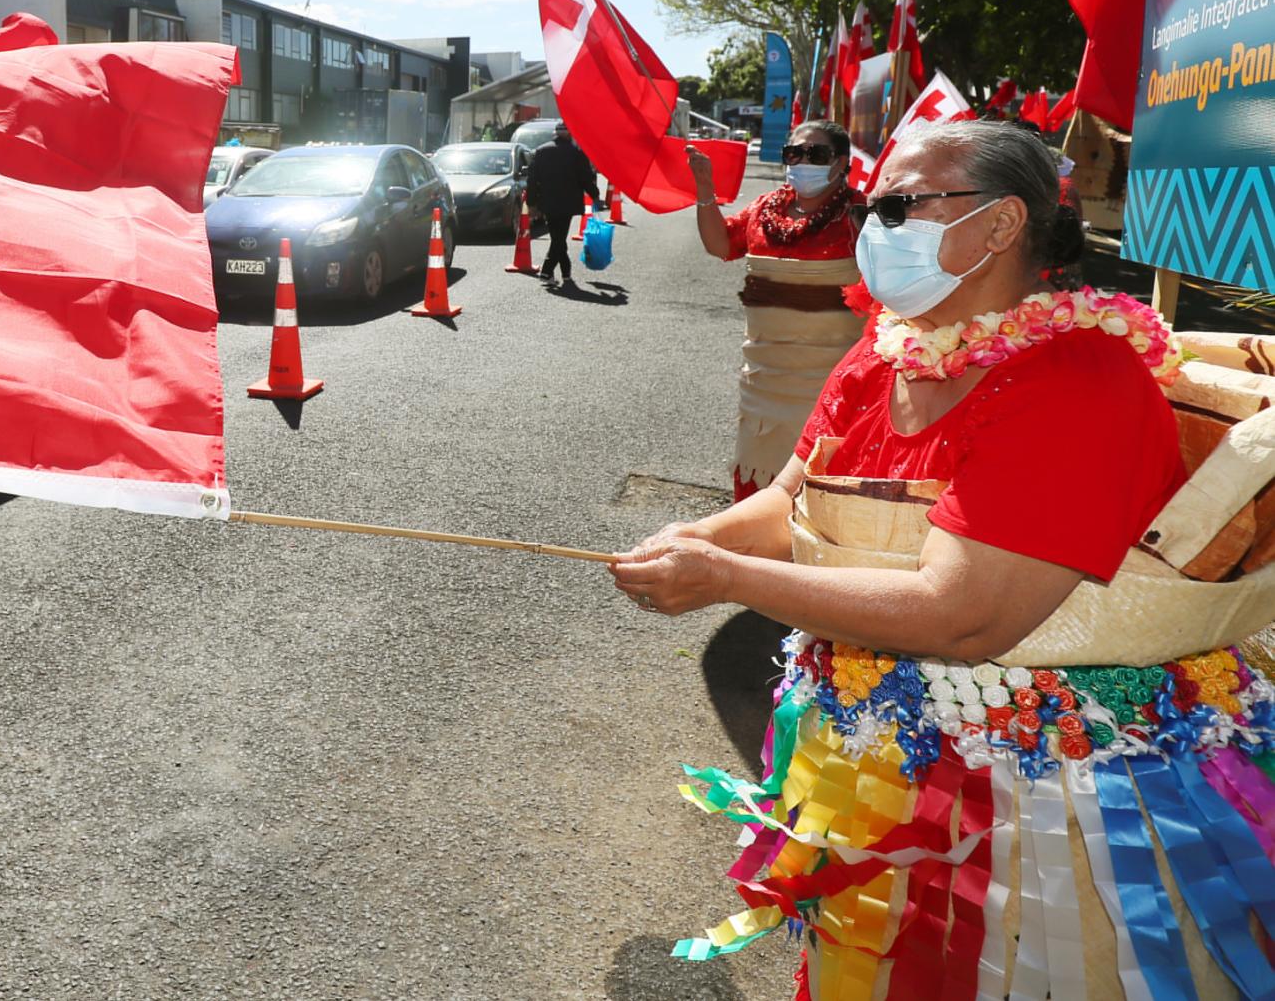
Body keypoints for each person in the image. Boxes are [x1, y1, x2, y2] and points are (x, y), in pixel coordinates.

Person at [611, 120, 1275, 999]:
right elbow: (790, 500)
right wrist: (694, 541)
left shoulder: (1076, 379)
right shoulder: (885, 348)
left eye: (897, 204)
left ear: (1001, 225)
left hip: (1045, 816)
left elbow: (965, 611)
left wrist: (723, 580)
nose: (871, 226)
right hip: (872, 774)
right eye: (871, 205)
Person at [688, 120, 862, 502]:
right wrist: (705, 188)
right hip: (764, 383)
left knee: (819, 493)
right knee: (756, 483)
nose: (802, 161)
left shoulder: (862, 216)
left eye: (815, 154)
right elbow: (719, 245)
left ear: (842, 162)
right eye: (793, 153)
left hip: (831, 384)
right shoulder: (765, 208)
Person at [525, 122, 598, 285]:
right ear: (569, 134)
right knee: (559, 238)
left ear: (555, 133)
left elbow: (532, 179)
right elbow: (585, 178)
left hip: (548, 201)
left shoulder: (541, 151)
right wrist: (595, 194)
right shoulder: (576, 153)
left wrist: (531, 202)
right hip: (568, 202)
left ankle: (565, 272)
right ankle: (547, 271)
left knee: (557, 237)